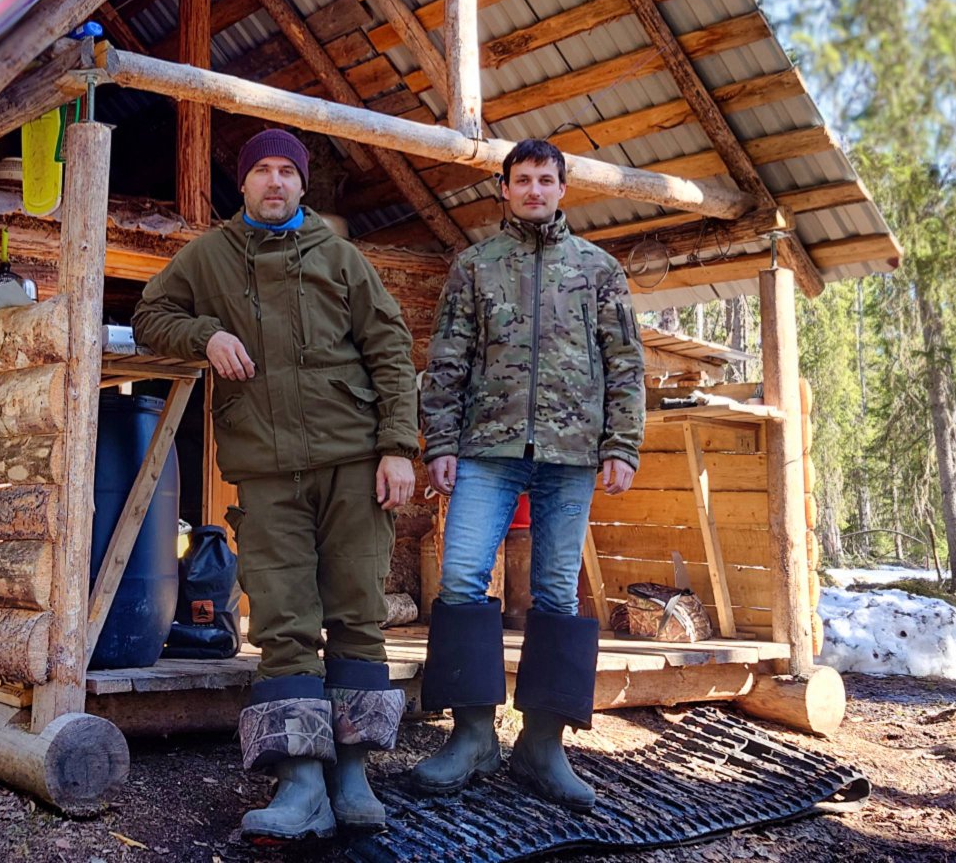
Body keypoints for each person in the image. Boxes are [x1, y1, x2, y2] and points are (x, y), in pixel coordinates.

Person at [132, 128, 419, 841]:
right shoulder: (210, 257)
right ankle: (300, 782)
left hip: (353, 461)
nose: (274, 182)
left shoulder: (340, 257)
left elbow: (389, 349)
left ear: (301, 184)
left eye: (286, 171)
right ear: (244, 183)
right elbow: (148, 316)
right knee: (286, 621)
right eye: (260, 169)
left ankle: (352, 774)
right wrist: (204, 335)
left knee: (357, 610)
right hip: (264, 468)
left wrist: (398, 449)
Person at [412, 137, 646, 810]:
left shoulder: (598, 269)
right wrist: (441, 443)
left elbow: (626, 364)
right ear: (505, 188)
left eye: (546, 180)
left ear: (563, 188)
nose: (535, 191)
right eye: (523, 180)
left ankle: (542, 748)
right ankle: (472, 738)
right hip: (487, 450)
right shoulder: (475, 266)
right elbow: (449, 359)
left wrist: (621, 445)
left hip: (571, 456)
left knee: (555, 596)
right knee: (460, 578)